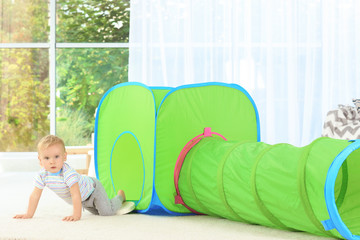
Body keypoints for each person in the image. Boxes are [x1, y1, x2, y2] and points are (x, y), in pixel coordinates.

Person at [13, 135, 134, 221]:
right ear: (40, 160)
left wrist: (76, 215)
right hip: (83, 200)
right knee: (97, 212)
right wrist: (29, 214)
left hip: (93, 190)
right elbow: (35, 195)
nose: (52, 162)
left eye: (56, 156)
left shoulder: (67, 173)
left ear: (64, 157)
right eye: (47, 158)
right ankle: (107, 203)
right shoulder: (42, 175)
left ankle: (120, 196)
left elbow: (75, 194)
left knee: (107, 213)